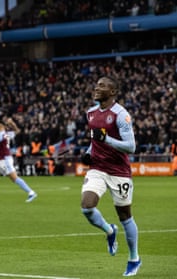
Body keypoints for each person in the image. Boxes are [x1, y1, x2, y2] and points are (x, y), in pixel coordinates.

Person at [80, 76, 141, 276]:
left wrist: (106, 139)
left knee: (125, 216)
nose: (97, 88)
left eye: (102, 86)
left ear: (113, 92)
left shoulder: (121, 115)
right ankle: (109, 230)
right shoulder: (90, 113)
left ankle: (134, 258)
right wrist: (89, 153)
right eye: (96, 85)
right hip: (98, 168)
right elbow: (94, 141)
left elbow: (131, 147)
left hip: (119, 171)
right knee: (87, 206)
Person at [0, 118, 37, 203]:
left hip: (5, 159)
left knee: (14, 178)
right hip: (2, 159)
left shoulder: (0, 135)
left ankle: (31, 192)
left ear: (0, 125)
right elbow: (17, 131)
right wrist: (12, 123)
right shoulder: (7, 134)